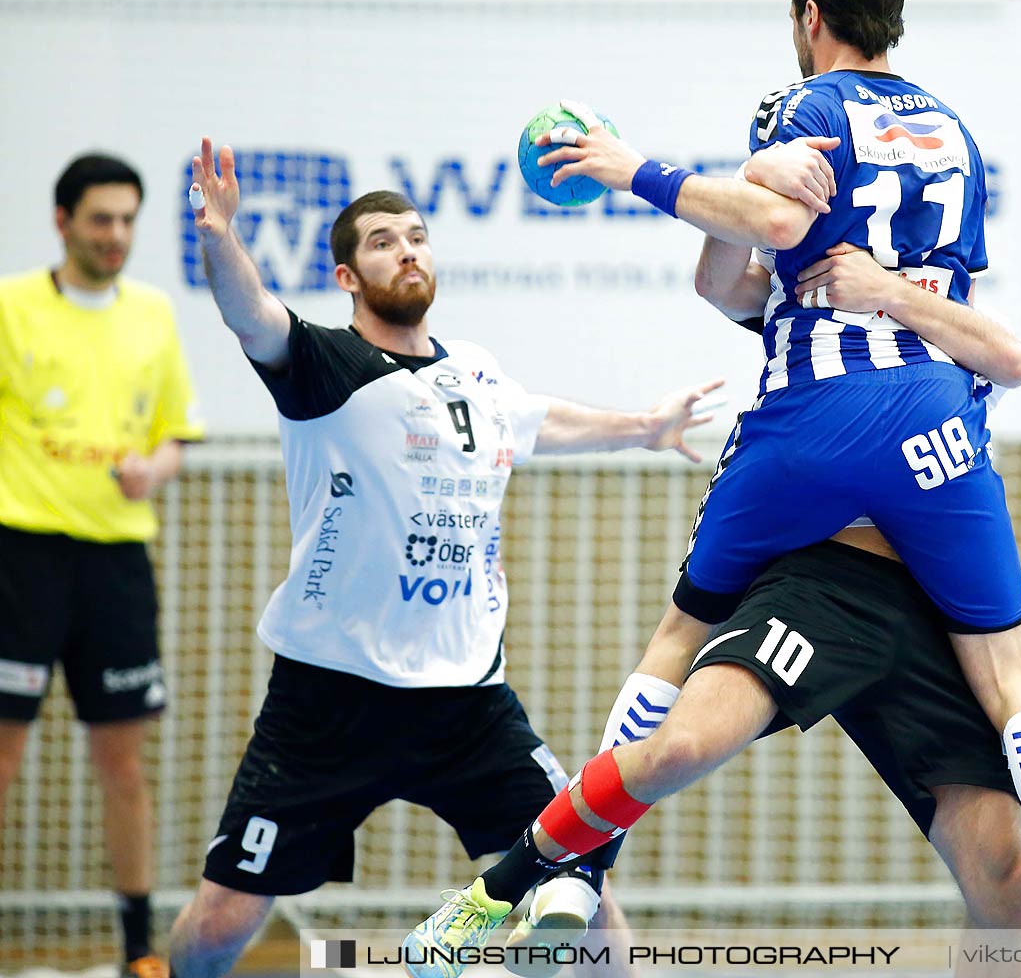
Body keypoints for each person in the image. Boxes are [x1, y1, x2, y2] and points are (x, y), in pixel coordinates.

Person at [409, 0, 1021, 978]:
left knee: (681, 640)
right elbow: (752, 284)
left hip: (815, 429)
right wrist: (778, 214)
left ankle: (564, 873)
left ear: (810, 18)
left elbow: (769, 227)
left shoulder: (801, 106)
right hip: (929, 446)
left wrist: (639, 168)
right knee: (1015, 679)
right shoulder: (953, 133)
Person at [165, 137, 743, 978]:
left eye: (416, 235)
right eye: (382, 242)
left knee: (581, 893)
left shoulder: (474, 372)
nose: (407, 250)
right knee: (221, 920)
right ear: (347, 278)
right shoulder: (325, 366)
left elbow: (542, 420)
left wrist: (647, 429)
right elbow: (250, 312)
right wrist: (221, 240)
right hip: (329, 703)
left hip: (469, 703)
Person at [0, 154, 204, 978]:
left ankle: (138, 949)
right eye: (100, 220)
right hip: (22, 556)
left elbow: (175, 433)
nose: (116, 236)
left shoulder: (153, 314)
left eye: (127, 220)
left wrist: (153, 469)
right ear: (63, 222)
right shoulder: (13, 307)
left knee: (122, 760)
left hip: (117, 561)